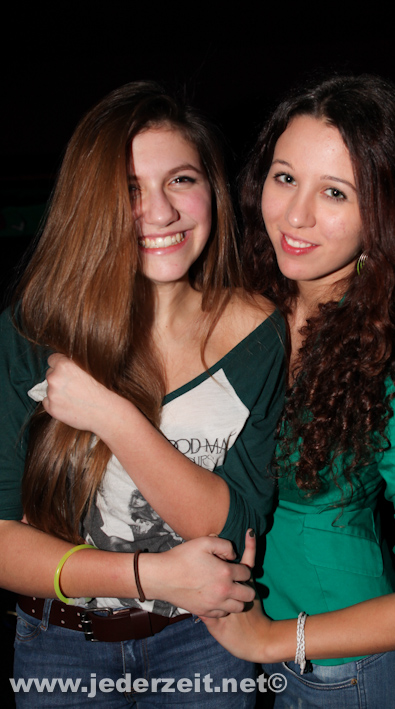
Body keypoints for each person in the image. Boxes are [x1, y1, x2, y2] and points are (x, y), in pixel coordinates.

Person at [0, 81, 285, 706]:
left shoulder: (257, 333)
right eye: (130, 189)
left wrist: (114, 417)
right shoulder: (33, 332)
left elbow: (236, 525)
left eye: (181, 180)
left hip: (204, 642)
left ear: (212, 189)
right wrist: (152, 575)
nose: (159, 212)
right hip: (59, 648)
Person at [201, 74, 395, 707]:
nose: (296, 215)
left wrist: (273, 640)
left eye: (335, 192)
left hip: (343, 675)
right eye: (285, 178)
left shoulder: (389, 358)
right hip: (234, 655)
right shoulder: (250, 311)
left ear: (382, 213)